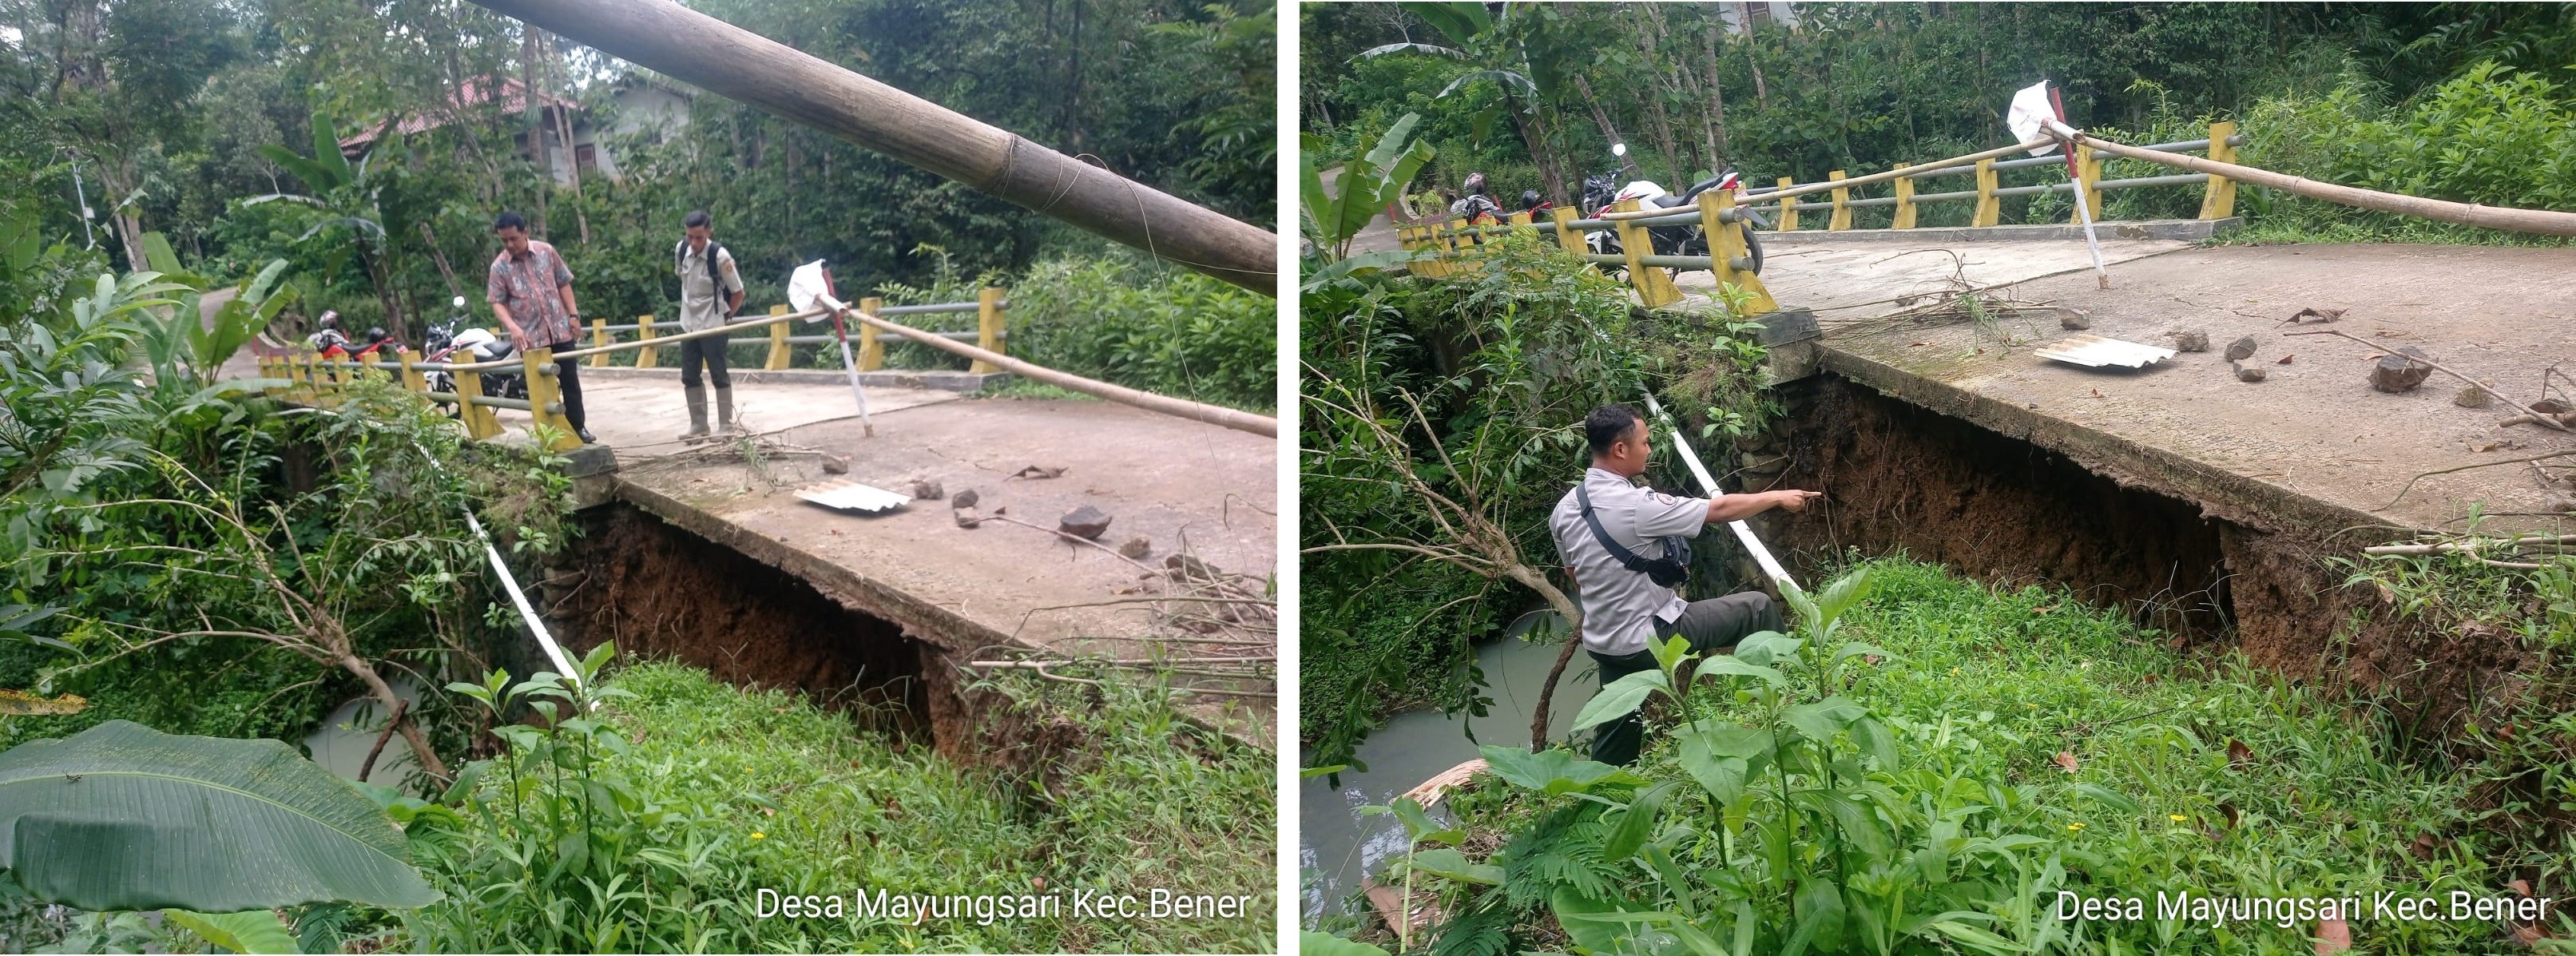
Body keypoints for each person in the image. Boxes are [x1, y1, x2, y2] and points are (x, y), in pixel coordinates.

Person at [1549, 403, 1824, 765]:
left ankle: (1602, 793)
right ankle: (1787, 698)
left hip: (1605, 642)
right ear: (1620, 449)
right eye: (1645, 443)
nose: (1649, 450)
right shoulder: (1636, 505)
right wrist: (1778, 496)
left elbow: (1575, 576)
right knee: (1756, 608)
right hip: (1649, 637)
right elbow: (1718, 510)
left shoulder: (1565, 509)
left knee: (1620, 725)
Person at [485, 210, 593, 444]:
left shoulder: (546, 252)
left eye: (513, 238)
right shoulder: (499, 267)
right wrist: (513, 327)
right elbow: (497, 302)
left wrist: (573, 315)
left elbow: (563, 283)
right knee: (541, 388)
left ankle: (578, 428)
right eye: (504, 240)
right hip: (531, 338)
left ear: (526, 233)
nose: (509, 244)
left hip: (559, 329)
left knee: (570, 382)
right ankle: (550, 435)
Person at [672, 209, 746, 442]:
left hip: (713, 323)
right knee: (689, 375)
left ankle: (725, 426)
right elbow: (683, 281)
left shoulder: (720, 256)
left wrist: (726, 318)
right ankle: (699, 424)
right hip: (689, 324)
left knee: (719, 375)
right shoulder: (681, 250)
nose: (693, 243)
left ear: (709, 233)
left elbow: (738, 292)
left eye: (699, 238)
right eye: (689, 237)